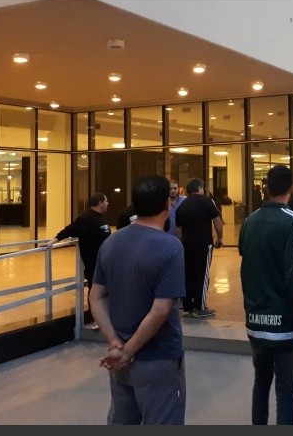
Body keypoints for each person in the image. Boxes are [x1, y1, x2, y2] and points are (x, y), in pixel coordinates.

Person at [89, 174, 186, 425]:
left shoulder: (111, 242)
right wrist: (129, 351)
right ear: (167, 204)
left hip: (119, 357)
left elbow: (96, 297)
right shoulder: (170, 247)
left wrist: (115, 343)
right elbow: (161, 309)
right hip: (158, 357)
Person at [238, 164, 293, 425]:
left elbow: (245, 259)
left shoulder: (249, 221)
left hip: (256, 321)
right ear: (291, 188)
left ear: (266, 187)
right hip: (286, 325)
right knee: (286, 390)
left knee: (261, 383)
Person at [47, 192, 111, 329]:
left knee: (106, 290)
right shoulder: (86, 218)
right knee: (95, 291)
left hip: (105, 262)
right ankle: (96, 320)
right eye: (106, 201)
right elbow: (70, 229)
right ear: (100, 203)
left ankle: (105, 317)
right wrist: (54, 240)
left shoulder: (100, 218)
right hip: (93, 263)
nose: (108, 203)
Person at [175, 178, 224, 318]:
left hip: (187, 245)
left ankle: (188, 307)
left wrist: (181, 244)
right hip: (203, 244)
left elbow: (179, 230)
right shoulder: (207, 201)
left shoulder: (182, 206)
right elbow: (217, 221)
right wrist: (220, 238)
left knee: (188, 274)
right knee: (202, 275)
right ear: (199, 188)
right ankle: (200, 307)